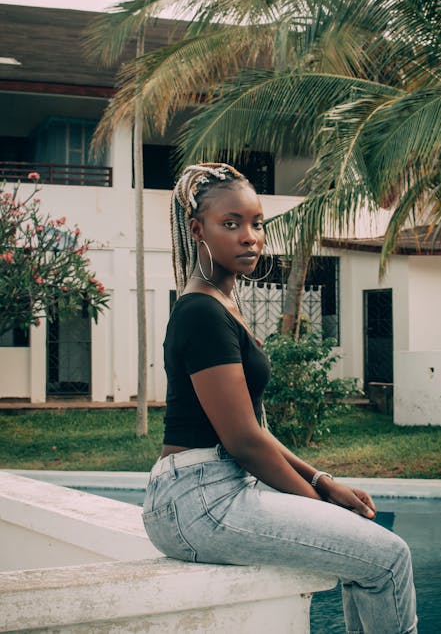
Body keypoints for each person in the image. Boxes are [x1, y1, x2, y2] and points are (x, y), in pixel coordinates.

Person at [143, 162, 418, 634]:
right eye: (230, 224)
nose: (249, 237)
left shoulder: (220, 304)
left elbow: (254, 431)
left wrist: (324, 481)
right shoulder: (201, 313)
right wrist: (317, 499)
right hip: (200, 500)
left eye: (256, 223)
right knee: (389, 558)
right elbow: (244, 441)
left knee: (369, 554)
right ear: (197, 229)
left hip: (217, 490)